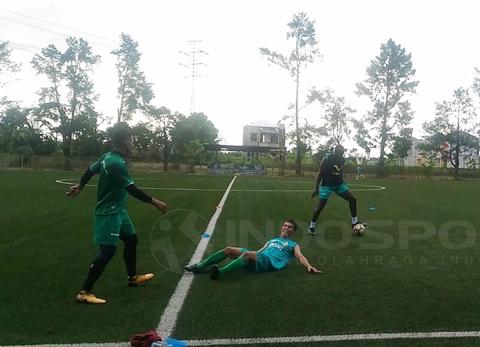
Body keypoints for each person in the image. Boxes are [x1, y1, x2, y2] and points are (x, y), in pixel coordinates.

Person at [66, 123, 168, 304]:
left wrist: (81, 186)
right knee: (108, 250)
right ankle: (84, 292)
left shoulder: (107, 157)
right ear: (125, 142)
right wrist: (155, 202)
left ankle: (132, 277)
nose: (133, 145)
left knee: (131, 239)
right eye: (132, 141)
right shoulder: (116, 163)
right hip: (109, 213)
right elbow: (132, 189)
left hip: (119, 212)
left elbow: (90, 170)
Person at [184, 219, 321, 279]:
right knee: (229, 250)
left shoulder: (293, 244)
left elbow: (300, 256)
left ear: (293, 231)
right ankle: (199, 267)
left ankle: (220, 273)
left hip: (271, 263)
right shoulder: (272, 240)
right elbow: (260, 251)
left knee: (247, 254)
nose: (286, 228)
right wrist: (249, 255)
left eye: (289, 227)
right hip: (260, 258)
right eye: (285, 225)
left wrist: (309, 266)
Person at [308, 144, 364, 235]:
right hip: (327, 185)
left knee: (353, 199)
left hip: (339, 184)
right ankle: (312, 226)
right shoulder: (327, 158)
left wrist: (342, 182)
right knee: (320, 207)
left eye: (343, 153)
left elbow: (339, 170)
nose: (342, 154)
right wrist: (316, 188)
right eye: (340, 153)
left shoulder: (342, 159)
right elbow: (320, 173)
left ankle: (354, 222)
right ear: (335, 152)